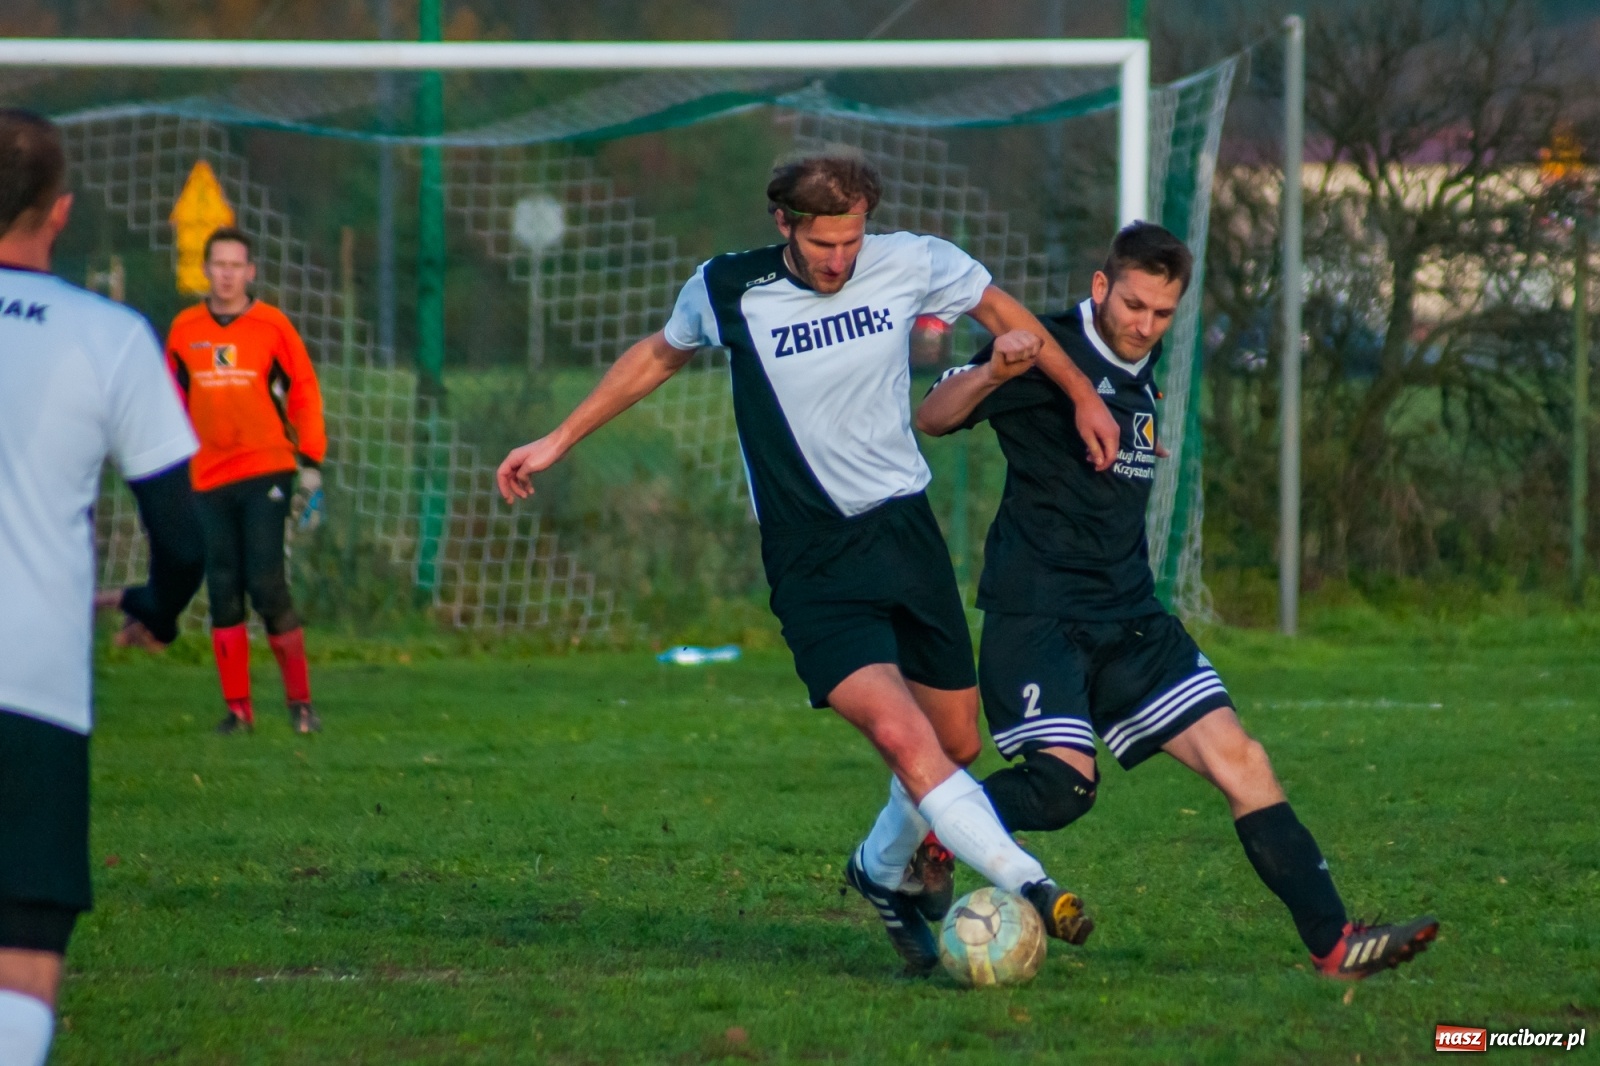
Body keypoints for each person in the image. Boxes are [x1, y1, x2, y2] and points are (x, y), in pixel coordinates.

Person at [498, 152, 1123, 975]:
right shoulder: (729, 288)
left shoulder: (907, 260)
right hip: (812, 559)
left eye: (851, 241)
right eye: (823, 243)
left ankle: (876, 869)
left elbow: (1003, 310)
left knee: (955, 741)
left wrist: (1081, 394)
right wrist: (556, 440)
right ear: (783, 224)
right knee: (905, 740)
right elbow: (658, 354)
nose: (839, 259)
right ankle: (1034, 885)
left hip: (905, 536)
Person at [916, 220, 1440, 980]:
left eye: (1162, 313)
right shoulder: (1037, 345)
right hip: (1038, 614)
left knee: (1243, 759)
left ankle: (1336, 945)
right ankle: (938, 830)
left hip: (1130, 616)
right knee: (1064, 791)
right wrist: (996, 371)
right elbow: (932, 417)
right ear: (1101, 288)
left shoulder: (1146, 357)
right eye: (1132, 306)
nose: (1144, 325)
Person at [0, 109, 206, 1066]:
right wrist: (155, 609)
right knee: (23, 956)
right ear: (62, 210)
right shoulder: (109, 335)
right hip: (30, 684)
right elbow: (181, 535)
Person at [164, 226, 327, 734]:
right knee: (223, 588)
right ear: (206, 270)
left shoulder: (272, 326)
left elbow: (303, 391)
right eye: (219, 264)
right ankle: (238, 711)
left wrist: (312, 461)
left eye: (237, 265)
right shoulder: (184, 330)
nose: (228, 273)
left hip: (267, 471)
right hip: (207, 477)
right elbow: (168, 402)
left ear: (250, 272)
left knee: (266, 583)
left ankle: (301, 705)